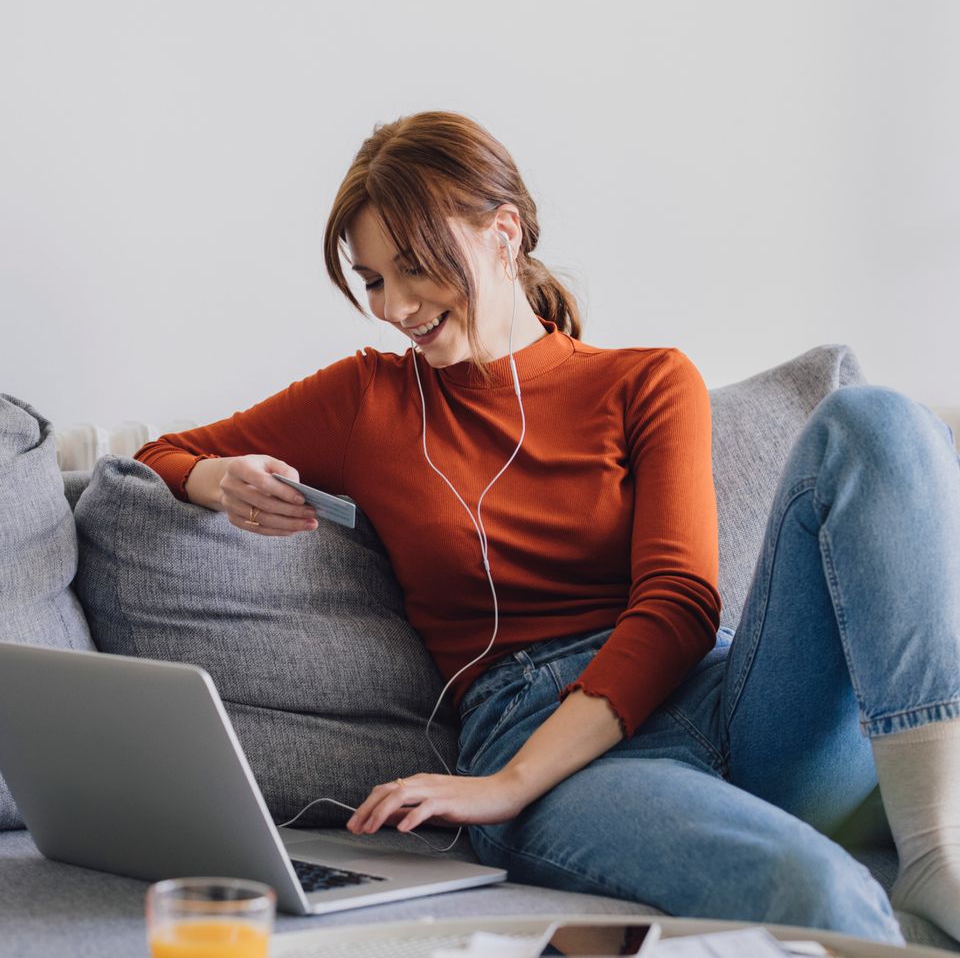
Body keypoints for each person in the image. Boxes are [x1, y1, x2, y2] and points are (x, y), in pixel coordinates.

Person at [134, 110, 960, 945]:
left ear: (503, 235)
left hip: (726, 700)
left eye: (415, 265)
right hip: (544, 740)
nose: (396, 306)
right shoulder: (366, 400)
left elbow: (679, 604)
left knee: (876, 422)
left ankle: (934, 846)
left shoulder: (648, 381)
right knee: (815, 889)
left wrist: (508, 786)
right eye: (374, 279)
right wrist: (214, 479)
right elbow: (157, 454)